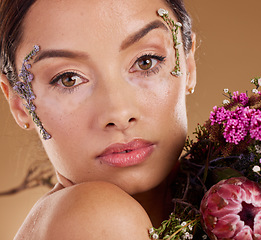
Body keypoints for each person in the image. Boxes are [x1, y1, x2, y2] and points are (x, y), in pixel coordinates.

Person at [0, 0, 196, 239]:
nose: (119, 114)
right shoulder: (98, 217)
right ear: (19, 104)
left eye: (146, 61)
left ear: (189, 66)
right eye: (68, 79)